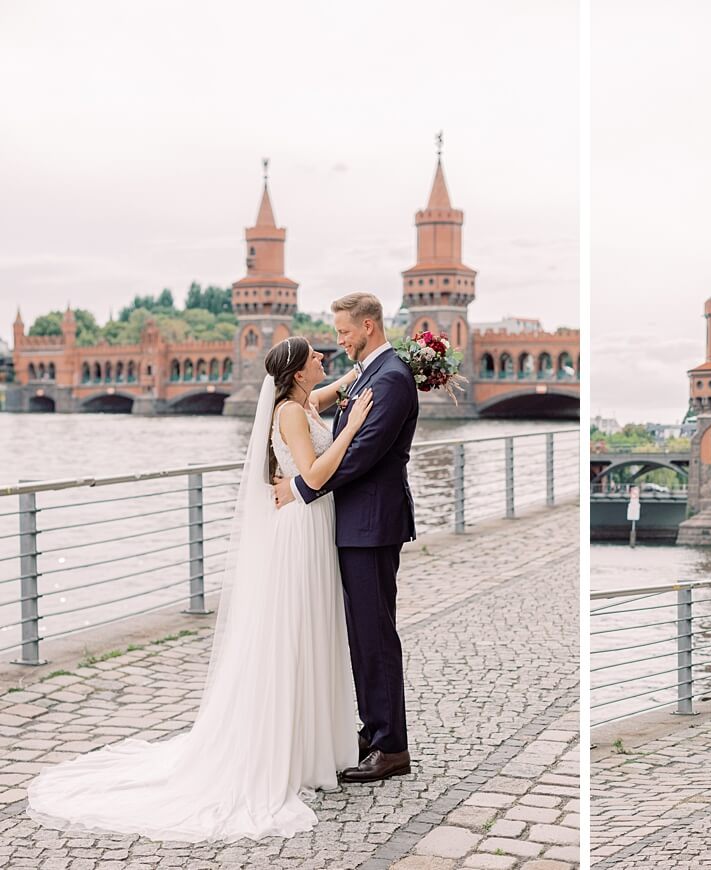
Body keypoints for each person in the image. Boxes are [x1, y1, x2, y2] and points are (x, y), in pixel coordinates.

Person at [27, 338, 371, 841]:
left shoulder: (301, 403)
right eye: (318, 358)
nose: (326, 359)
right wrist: (355, 427)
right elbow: (316, 473)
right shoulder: (291, 414)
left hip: (311, 526)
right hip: (301, 526)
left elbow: (325, 398)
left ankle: (310, 745)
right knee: (295, 632)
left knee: (311, 631)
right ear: (298, 372)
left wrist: (354, 379)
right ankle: (292, 751)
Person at [274, 291, 418, 783]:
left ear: (369, 327)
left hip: (372, 524)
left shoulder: (393, 378)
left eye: (344, 332)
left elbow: (363, 454)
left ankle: (391, 747)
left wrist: (301, 486)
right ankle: (374, 730)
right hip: (354, 521)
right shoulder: (373, 372)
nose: (338, 341)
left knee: (374, 635)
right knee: (361, 634)